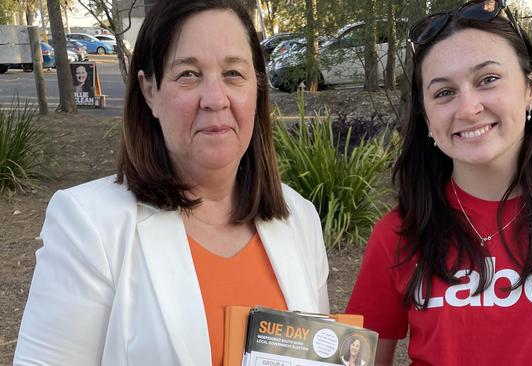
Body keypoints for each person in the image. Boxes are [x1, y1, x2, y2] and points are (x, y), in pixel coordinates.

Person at [13, 1, 329, 365]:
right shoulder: (90, 227)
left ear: (257, 88)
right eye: (189, 74)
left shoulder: (299, 220)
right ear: (150, 91)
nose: (215, 99)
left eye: (233, 74)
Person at [346, 0, 532, 364]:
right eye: (444, 92)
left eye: (487, 79)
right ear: (427, 118)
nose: (468, 107)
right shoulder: (397, 234)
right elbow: (358, 358)